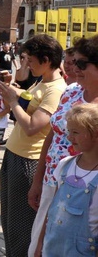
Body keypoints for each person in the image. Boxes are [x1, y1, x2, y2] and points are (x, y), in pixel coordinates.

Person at [0, 34, 67, 257]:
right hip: (15, 155)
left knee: (22, 224)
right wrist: (11, 92)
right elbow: (29, 100)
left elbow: (33, 126)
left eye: (31, 61)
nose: (28, 65)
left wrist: (13, 102)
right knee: (9, 218)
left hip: (28, 161)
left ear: (46, 60)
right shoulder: (42, 81)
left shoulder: (56, 89)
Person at [27, 39, 98, 257]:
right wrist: (38, 180)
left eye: (82, 64)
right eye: (74, 62)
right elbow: (52, 135)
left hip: (89, 186)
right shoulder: (71, 91)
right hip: (55, 177)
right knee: (41, 245)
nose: (74, 68)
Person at [39, 103, 98, 256]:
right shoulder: (65, 165)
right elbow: (53, 209)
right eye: (69, 131)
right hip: (51, 248)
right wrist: (40, 243)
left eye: (76, 132)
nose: (69, 137)